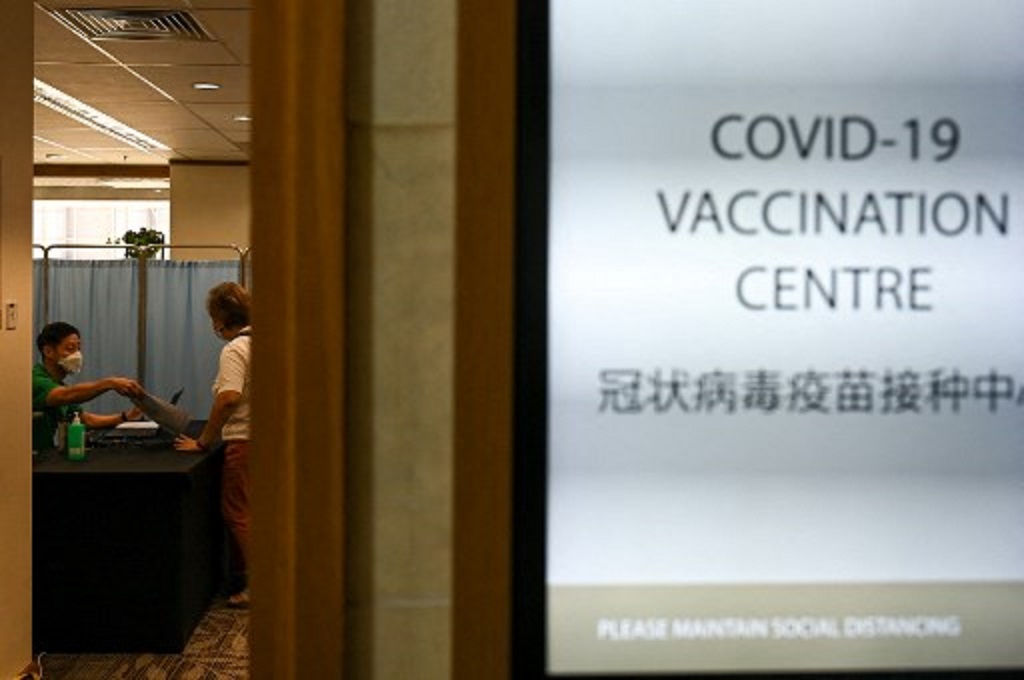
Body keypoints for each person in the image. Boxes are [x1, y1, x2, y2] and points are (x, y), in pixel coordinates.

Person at [175, 282, 252, 608]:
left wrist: (205, 439)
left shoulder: (235, 349)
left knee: (239, 514)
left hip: (245, 442)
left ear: (220, 319)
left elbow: (229, 398)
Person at [32, 321, 145, 452]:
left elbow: (85, 420)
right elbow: (66, 394)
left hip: (44, 457)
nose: (77, 355)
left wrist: (125, 417)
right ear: (48, 351)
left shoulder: (57, 385)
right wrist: (110, 383)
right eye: (70, 348)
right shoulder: (35, 381)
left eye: (78, 348)